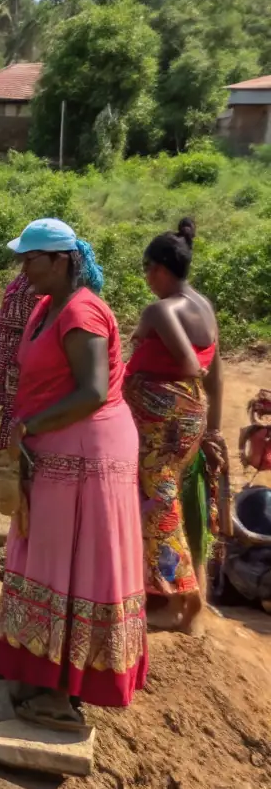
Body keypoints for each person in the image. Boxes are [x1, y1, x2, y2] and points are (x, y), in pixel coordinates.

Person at [0, 218, 148, 725]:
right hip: (56, 448)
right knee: (47, 559)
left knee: (73, 566)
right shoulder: (45, 307)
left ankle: (63, 692)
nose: (23, 269)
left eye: (31, 259)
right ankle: (40, 668)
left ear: (61, 261)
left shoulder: (82, 312)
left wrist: (30, 425)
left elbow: (93, 391)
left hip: (86, 454)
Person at [125, 218, 224, 635]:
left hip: (162, 424)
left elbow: (189, 365)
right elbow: (216, 372)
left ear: (159, 268)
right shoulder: (203, 306)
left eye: (147, 269)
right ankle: (170, 591)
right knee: (164, 499)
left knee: (160, 504)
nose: (147, 278)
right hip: (189, 418)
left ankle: (181, 598)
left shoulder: (161, 310)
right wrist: (213, 429)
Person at [0, 271, 39, 450]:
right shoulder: (22, 277)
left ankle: (10, 449)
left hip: (23, 347)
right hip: (4, 345)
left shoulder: (46, 282)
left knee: (15, 406)